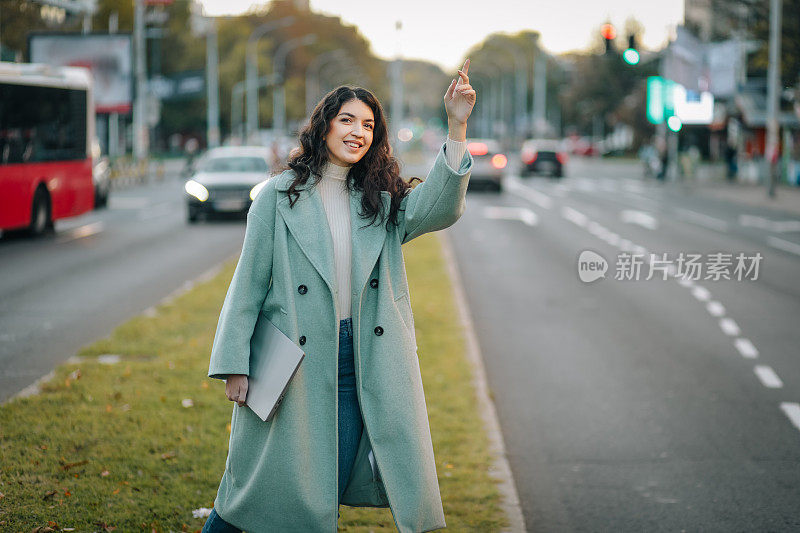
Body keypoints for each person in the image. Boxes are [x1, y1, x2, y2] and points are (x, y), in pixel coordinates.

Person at [203, 59, 476, 533]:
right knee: (256, 486)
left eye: (369, 125)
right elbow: (246, 285)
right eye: (347, 120)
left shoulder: (380, 199)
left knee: (320, 492)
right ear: (324, 125)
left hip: (359, 358)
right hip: (291, 361)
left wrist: (457, 125)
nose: (358, 132)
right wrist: (234, 363)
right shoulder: (277, 196)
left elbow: (440, 207)